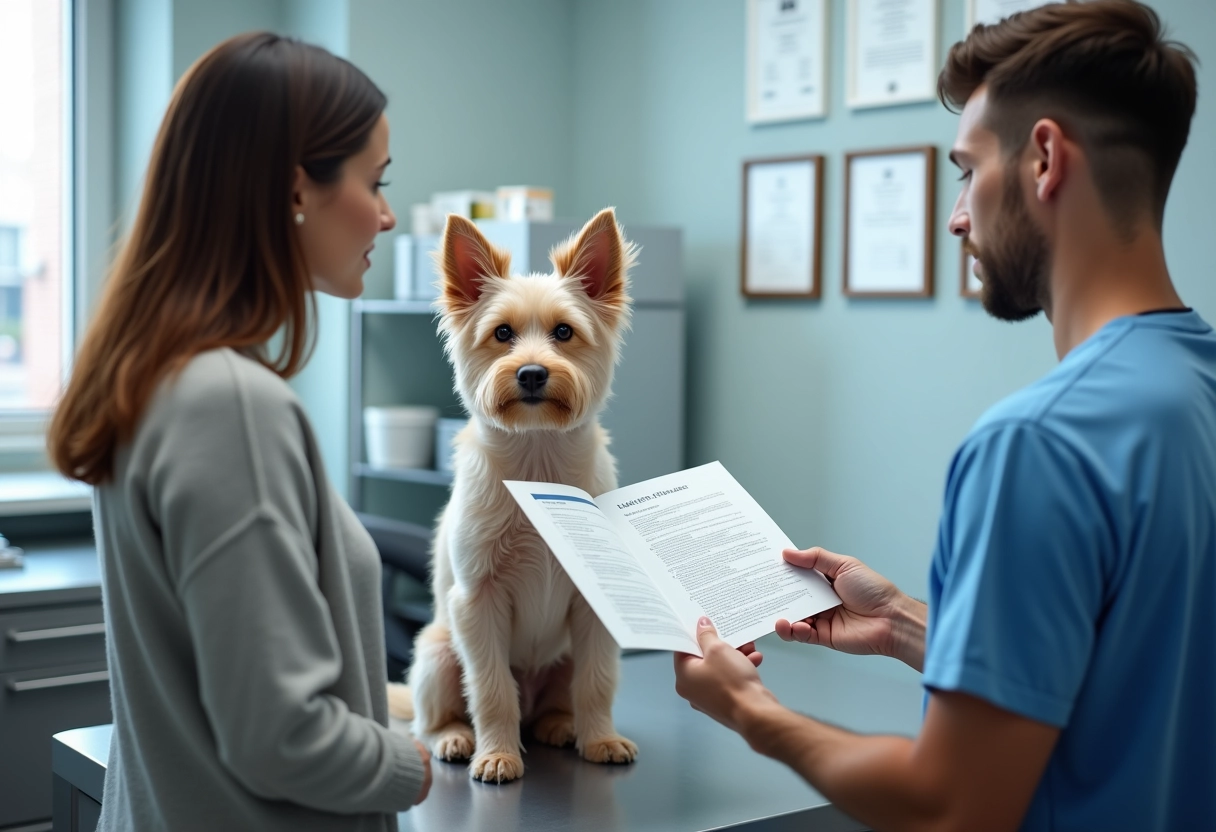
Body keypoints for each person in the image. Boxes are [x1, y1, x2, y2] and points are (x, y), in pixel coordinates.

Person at [673, 2, 1214, 830]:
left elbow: (951, 807)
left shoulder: (1037, 443)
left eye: (966, 170)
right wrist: (901, 625)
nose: (958, 215)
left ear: (1043, 159)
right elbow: (1130, 678)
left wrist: (752, 713)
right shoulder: (1191, 388)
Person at [48, 33, 431, 830]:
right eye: (375, 181)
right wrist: (407, 762)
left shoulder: (158, 376)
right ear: (297, 187)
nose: (388, 216)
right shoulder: (231, 404)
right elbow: (280, 735)